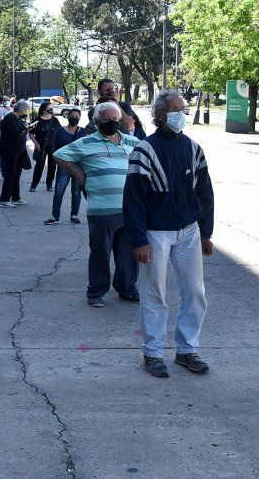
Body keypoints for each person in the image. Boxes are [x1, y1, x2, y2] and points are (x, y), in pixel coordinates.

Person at [123, 90, 214, 378]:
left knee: (195, 291)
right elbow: (133, 199)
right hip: (155, 233)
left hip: (188, 230)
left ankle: (187, 350)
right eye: (174, 109)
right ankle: (153, 353)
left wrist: (205, 232)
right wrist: (139, 240)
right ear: (159, 115)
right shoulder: (144, 150)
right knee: (154, 293)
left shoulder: (193, 148)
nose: (180, 114)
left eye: (182, 109)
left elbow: (205, 192)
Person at [54, 102, 142, 308]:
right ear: (96, 122)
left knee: (128, 253)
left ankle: (127, 288)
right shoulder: (86, 142)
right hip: (101, 210)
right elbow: (59, 155)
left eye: (115, 119)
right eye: (107, 120)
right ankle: (96, 292)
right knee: (100, 253)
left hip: (129, 209)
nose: (112, 122)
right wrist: (78, 174)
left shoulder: (133, 142)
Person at [45, 107, 87, 225]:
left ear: (79, 118)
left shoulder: (83, 132)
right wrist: (58, 162)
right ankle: (55, 216)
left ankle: (74, 215)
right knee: (59, 191)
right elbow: (54, 149)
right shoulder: (60, 131)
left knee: (76, 192)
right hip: (63, 167)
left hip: (78, 168)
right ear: (68, 117)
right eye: (72, 116)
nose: (74, 119)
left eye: (76, 117)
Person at [0, 100, 31, 207]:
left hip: (17, 150)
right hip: (10, 150)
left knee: (16, 174)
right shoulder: (10, 118)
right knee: (10, 174)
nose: (26, 113)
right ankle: (4, 199)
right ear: (21, 110)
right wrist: (25, 127)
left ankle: (16, 197)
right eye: (26, 110)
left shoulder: (16, 118)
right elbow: (16, 133)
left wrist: (26, 127)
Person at [29, 101, 60, 192]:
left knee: (52, 166)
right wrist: (36, 144)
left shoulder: (54, 120)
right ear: (43, 110)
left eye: (51, 107)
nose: (51, 109)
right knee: (39, 166)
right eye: (49, 108)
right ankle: (34, 185)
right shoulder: (37, 120)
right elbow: (30, 134)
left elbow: (59, 132)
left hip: (53, 147)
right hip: (41, 147)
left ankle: (49, 184)